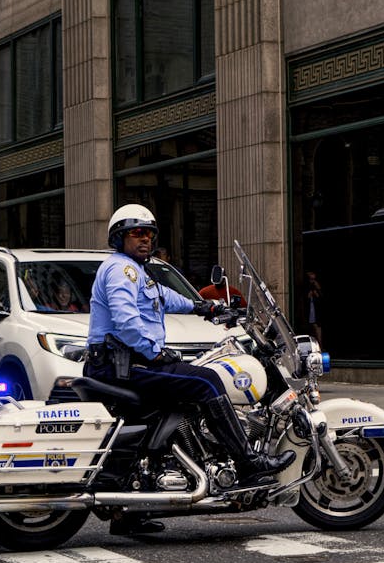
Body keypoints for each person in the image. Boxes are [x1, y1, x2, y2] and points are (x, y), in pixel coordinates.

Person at [84, 203, 295, 535]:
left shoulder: (141, 272)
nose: (144, 239)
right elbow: (126, 323)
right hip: (122, 366)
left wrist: (204, 306)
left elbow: (166, 298)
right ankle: (248, 463)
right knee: (208, 382)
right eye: (136, 233)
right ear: (119, 237)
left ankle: (131, 509)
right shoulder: (120, 270)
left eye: (149, 233)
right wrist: (156, 354)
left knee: (176, 403)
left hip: (121, 364)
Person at [303, 270, 324, 345]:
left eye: (314, 279)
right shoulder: (306, 286)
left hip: (316, 309)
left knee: (317, 326)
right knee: (311, 326)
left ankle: (320, 343)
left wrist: (317, 291)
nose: (312, 281)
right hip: (310, 308)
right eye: (311, 279)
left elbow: (321, 297)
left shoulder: (317, 286)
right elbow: (305, 297)